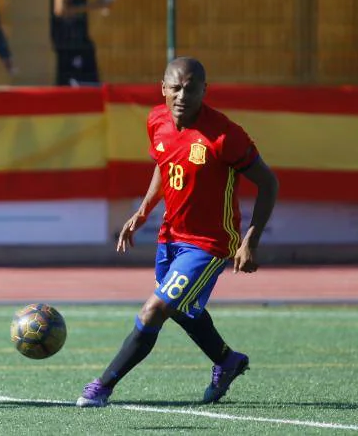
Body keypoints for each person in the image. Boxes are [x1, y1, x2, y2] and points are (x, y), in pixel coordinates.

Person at [77, 57, 279, 407]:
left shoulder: (225, 135)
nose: (182, 95)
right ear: (163, 89)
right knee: (183, 309)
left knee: (153, 310)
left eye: (190, 88)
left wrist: (250, 240)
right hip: (170, 237)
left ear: (204, 90)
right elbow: (163, 163)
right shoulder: (156, 119)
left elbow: (269, 183)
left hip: (210, 243)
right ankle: (227, 361)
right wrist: (143, 211)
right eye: (175, 88)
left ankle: (102, 386)